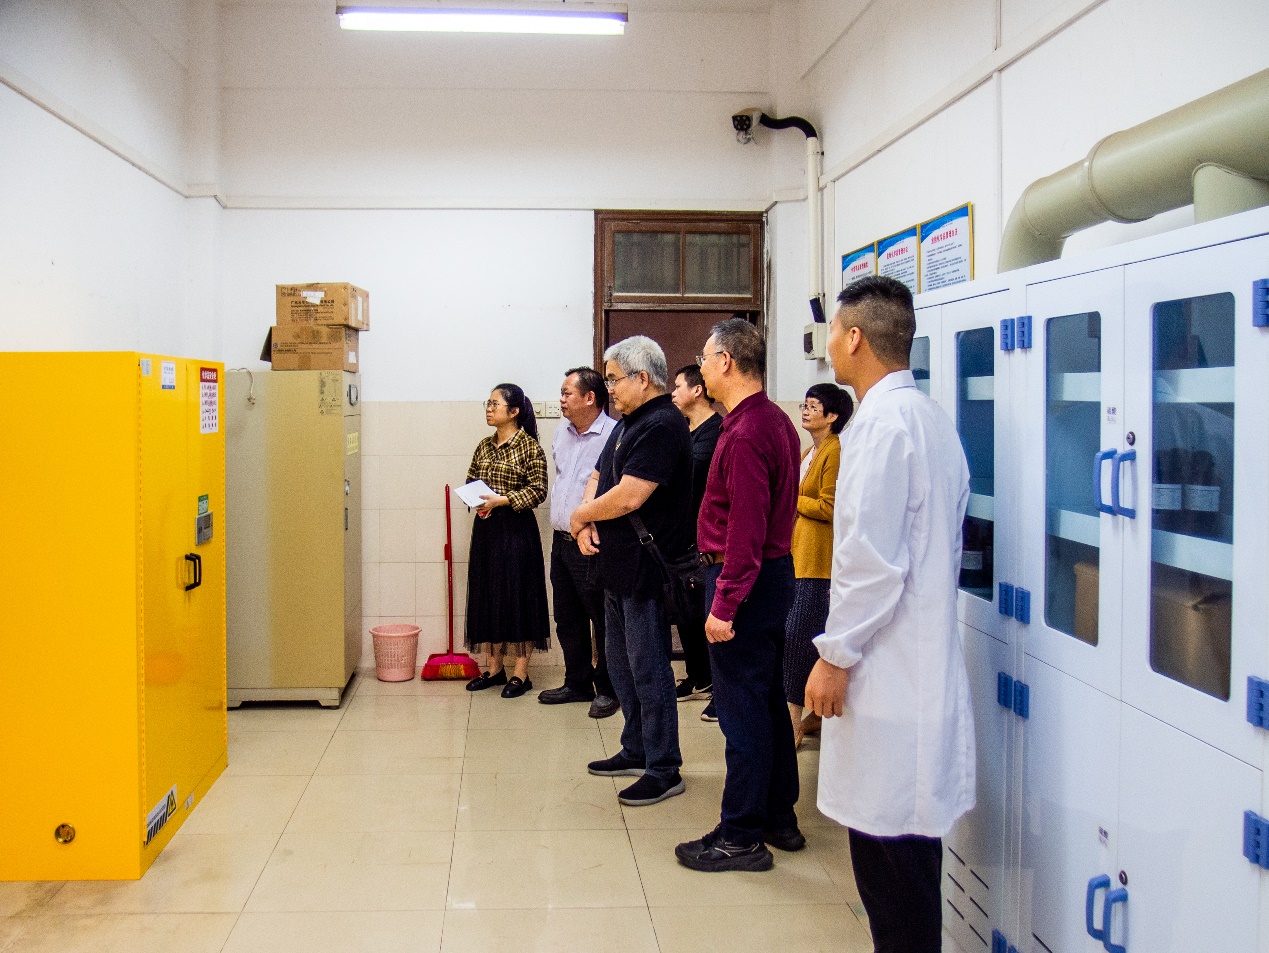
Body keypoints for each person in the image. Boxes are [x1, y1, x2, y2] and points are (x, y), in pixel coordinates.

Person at [805, 276, 975, 953]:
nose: (828, 347)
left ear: (853, 337)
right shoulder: (928, 417)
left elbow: (870, 562)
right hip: (916, 673)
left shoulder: (879, 426)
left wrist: (834, 654)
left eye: (831, 333)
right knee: (906, 863)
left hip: (886, 677)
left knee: (891, 867)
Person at [674, 318, 802, 873]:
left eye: (705, 357)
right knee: (768, 701)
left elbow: (746, 531)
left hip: (743, 579)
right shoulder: (770, 419)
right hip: (770, 577)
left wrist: (724, 605)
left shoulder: (747, 432)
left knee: (742, 712)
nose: (700, 367)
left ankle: (741, 836)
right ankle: (778, 817)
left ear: (725, 361)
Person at [570, 336, 691, 807]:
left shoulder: (663, 424)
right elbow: (599, 477)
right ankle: (636, 746)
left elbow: (631, 495)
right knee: (620, 665)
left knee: (649, 668)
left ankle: (664, 766)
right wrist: (585, 521)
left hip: (646, 571)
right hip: (615, 567)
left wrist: (582, 516)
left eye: (614, 379)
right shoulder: (627, 423)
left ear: (643, 378)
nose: (609, 389)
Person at [538, 367, 620, 719]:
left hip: (594, 543)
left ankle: (610, 688)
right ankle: (577, 682)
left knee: (602, 618)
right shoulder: (561, 432)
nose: (561, 399)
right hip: (561, 541)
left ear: (590, 397)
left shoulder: (614, 435)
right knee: (567, 617)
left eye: (567, 393)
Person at [462, 383, 551, 698]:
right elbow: (471, 479)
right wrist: (475, 499)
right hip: (487, 530)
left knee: (519, 596)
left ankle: (521, 674)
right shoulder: (484, 446)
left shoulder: (529, 447)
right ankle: (494, 668)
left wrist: (502, 500)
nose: (488, 409)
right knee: (488, 595)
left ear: (513, 411)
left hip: (517, 531)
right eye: (487, 403)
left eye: (494, 404)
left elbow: (538, 490)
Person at [785, 383, 852, 749]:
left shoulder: (835, 450)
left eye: (813, 406)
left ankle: (793, 724)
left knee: (798, 638)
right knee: (796, 637)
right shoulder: (811, 450)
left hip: (818, 561)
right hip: (799, 556)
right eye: (805, 405)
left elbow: (830, 506)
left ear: (832, 416)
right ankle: (811, 718)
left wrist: (791, 499)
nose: (806, 411)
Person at [669, 363, 720, 710]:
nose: (673, 393)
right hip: (682, 536)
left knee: (708, 613)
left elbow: (687, 473)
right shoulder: (686, 429)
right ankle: (699, 676)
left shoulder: (715, 431)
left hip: (708, 539)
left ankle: (718, 686)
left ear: (697, 390)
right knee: (686, 612)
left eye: (678, 386)